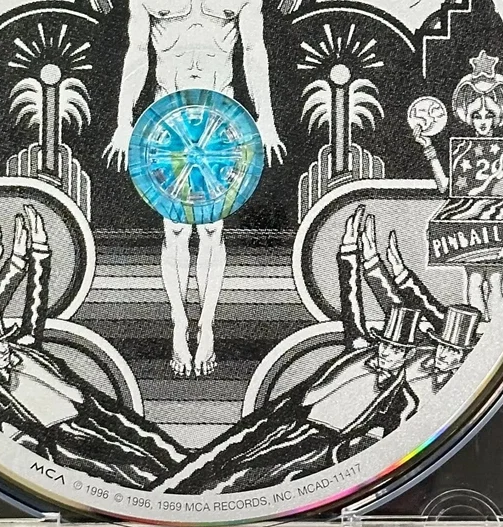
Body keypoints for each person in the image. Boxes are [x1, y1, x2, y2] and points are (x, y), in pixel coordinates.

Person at [103, 0, 285, 377]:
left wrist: (266, 119)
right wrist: (123, 121)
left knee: (211, 228)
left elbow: (255, 54)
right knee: (175, 228)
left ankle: (206, 328)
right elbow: (136, 56)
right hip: (167, 116)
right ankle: (178, 326)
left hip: (221, 117)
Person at [153, 205, 441, 495]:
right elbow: (353, 304)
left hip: (318, 443)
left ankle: (194, 492)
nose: (387, 352)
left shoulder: (402, 396)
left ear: (409, 355)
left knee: (239, 479)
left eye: (396, 350)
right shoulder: (362, 349)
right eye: (387, 344)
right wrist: (359, 257)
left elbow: (396, 437)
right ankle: (173, 487)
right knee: (219, 457)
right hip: (289, 414)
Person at [0, 207, 188, 489]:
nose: (1, 348)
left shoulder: (23, 348)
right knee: (130, 468)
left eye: (1, 341)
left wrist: (33, 254)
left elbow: (34, 302)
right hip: (62, 435)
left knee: (152, 445)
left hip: (91, 408)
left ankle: (189, 470)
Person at [412, 50, 503, 321]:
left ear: (498, 117)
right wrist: (428, 148)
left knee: (495, 281)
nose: (483, 122)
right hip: (469, 220)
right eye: (477, 116)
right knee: (475, 281)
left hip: (501, 220)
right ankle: (478, 334)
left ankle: (496, 331)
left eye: (488, 116)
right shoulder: (463, 152)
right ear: (469, 117)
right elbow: (445, 187)